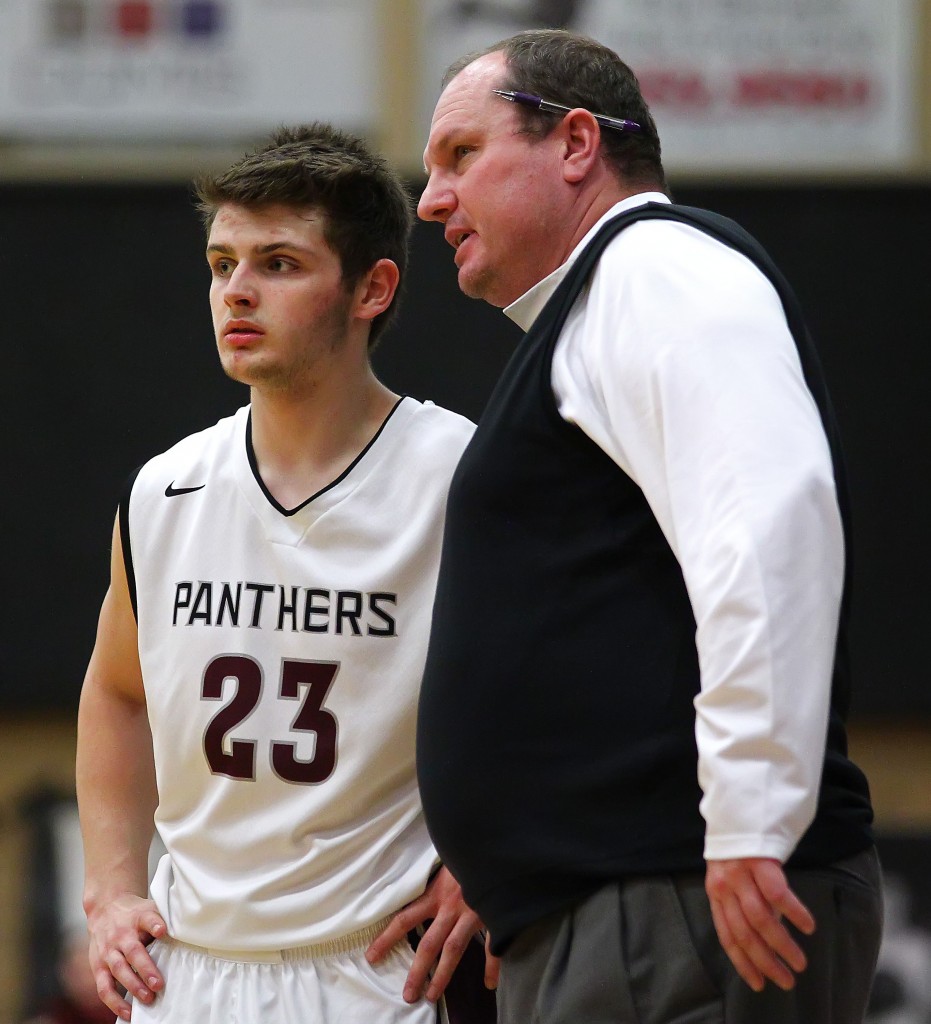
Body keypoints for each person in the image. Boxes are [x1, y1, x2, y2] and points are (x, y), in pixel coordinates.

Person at [415, 28, 883, 1024]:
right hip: (618, 909)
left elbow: (765, 522)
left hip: (683, 904)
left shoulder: (657, 270)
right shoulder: (599, 308)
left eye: (461, 154)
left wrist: (751, 819)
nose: (430, 200)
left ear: (576, 143)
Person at [76, 123, 485, 1024]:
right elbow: (117, 693)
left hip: (379, 969)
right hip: (189, 971)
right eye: (223, 264)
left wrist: (495, 860)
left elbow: (555, 696)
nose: (237, 293)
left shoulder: (461, 474)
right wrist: (110, 893)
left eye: (279, 264)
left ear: (372, 288)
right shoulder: (165, 488)